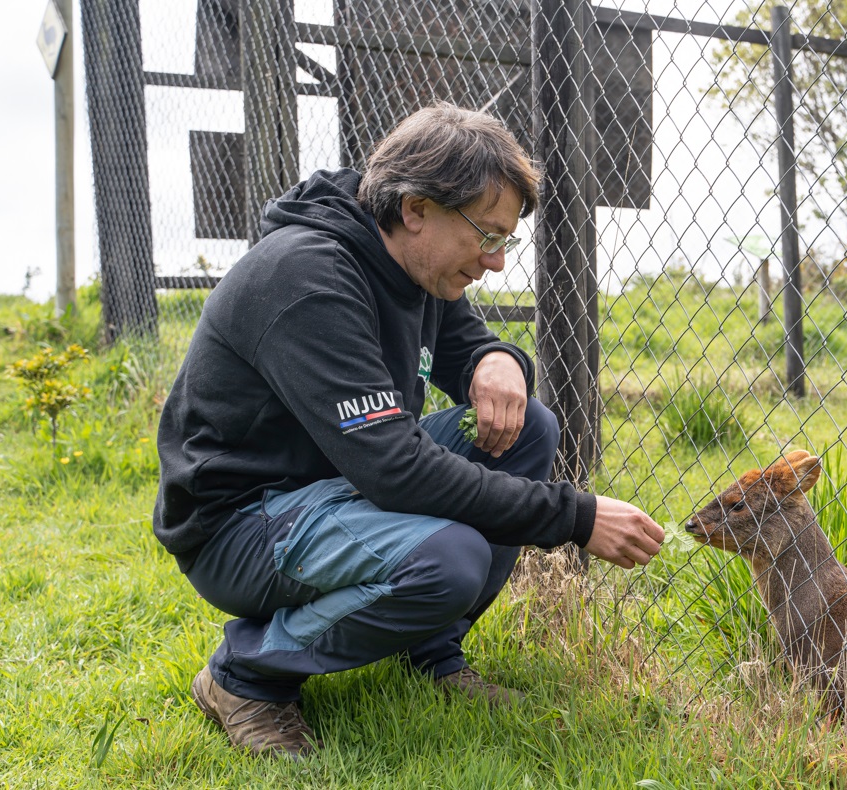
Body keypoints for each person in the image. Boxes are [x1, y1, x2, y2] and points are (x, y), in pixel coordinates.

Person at [153, 104, 665, 759]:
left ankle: (430, 655)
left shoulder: (405, 257)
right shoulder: (309, 277)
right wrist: (574, 515)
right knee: (447, 560)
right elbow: (395, 469)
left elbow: (459, 341)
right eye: (487, 235)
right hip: (243, 524)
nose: (496, 261)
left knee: (528, 430)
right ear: (417, 207)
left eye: (505, 240)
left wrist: (496, 360)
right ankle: (245, 676)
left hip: (334, 489)